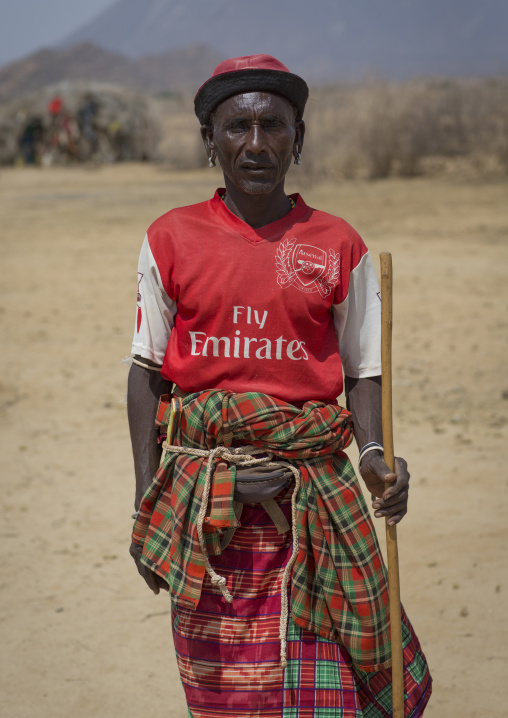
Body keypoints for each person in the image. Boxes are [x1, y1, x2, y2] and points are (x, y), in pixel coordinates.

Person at [127, 54, 432, 717]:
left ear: (302, 136)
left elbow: (362, 371)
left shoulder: (338, 245)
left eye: (274, 125)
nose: (257, 144)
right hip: (206, 512)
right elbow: (146, 373)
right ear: (211, 142)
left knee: (335, 689)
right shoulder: (169, 239)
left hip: (320, 507)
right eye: (238, 127)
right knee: (226, 696)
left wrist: (376, 458)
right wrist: (148, 506)